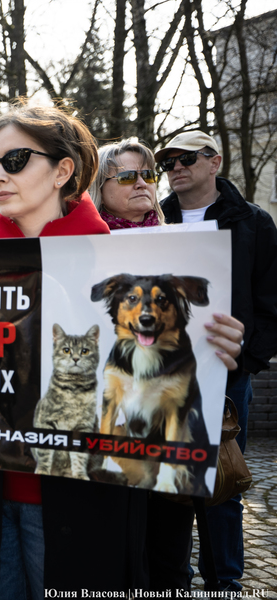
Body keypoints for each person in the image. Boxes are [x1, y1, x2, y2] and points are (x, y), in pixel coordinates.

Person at [91, 137, 247, 592]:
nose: (142, 183)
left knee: (169, 552)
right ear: (100, 187)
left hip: (172, 428)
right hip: (112, 436)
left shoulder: (185, 246)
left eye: (147, 175)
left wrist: (230, 343)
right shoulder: (85, 246)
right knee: (120, 554)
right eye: (126, 175)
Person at [154, 130, 277, 591]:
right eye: (168, 161)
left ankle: (224, 581)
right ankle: (172, 580)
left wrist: (244, 359)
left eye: (187, 158)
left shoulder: (253, 223)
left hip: (226, 377)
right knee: (167, 480)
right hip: (162, 374)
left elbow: (270, 305)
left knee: (222, 483)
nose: (176, 167)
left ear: (215, 161)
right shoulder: (153, 219)